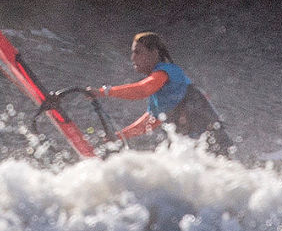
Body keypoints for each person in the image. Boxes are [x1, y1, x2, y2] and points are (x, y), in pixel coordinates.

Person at [87, 31, 233, 156]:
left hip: (213, 147)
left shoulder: (168, 71)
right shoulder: (162, 92)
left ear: (154, 53)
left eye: (138, 52)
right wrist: (120, 136)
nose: (133, 58)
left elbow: (142, 90)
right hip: (198, 151)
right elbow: (149, 122)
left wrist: (104, 92)